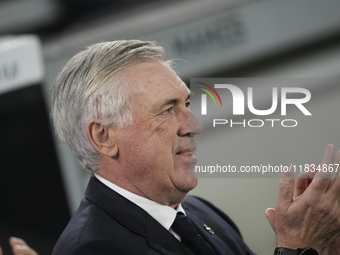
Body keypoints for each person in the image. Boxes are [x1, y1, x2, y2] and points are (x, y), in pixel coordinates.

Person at [50, 40, 340, 255]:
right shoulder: (92, 249)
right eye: (167, 109)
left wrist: (323, 248)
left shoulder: (200, 212)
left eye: (186, 104)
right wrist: (299, 248)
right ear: (104, 137)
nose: (194, 125)